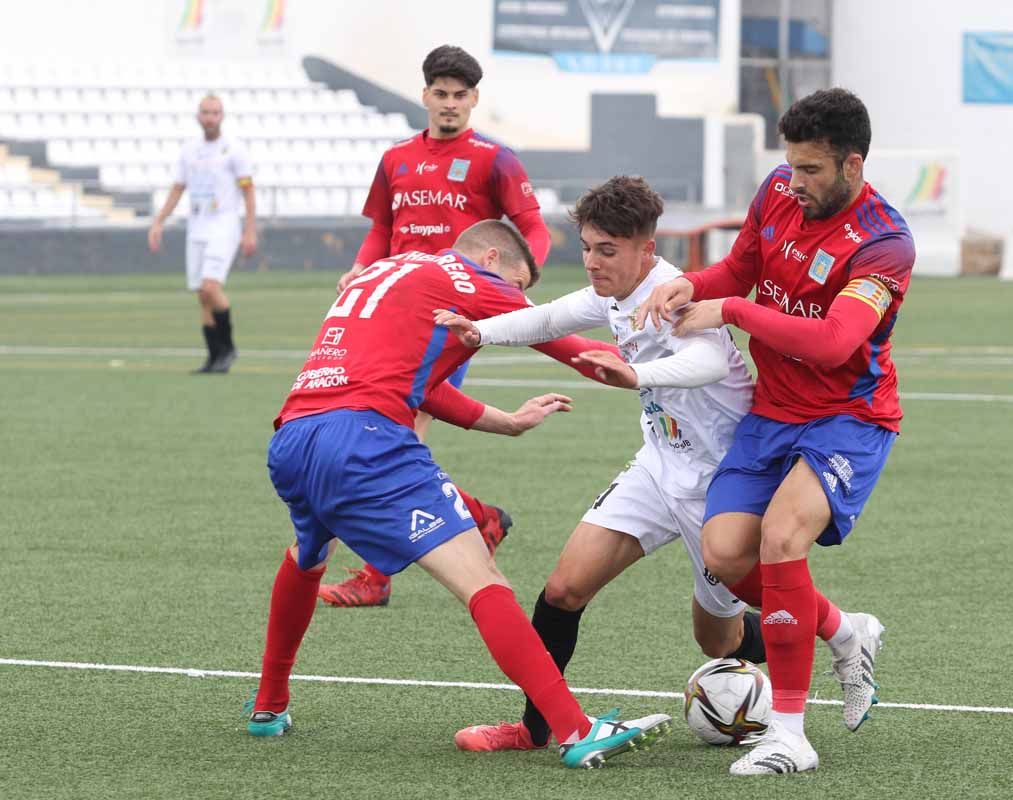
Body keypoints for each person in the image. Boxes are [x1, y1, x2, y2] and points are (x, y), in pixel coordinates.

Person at [435, 176, 879, 754]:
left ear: (647, 249)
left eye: (607, 251)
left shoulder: (676, 292)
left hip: (721, 483)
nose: (593, 262)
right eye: (588, 248)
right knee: (564, 588)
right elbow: (546, 318)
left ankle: (844, 629)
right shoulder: (609, 293)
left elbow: (708, 362)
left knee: (717, 638)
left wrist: (638, 375)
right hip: (658, 466)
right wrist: (480, 331)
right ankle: (534, 729)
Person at [247, 219, 671, 769]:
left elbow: (415, 380)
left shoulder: (390, 270)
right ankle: (576, 729)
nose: (515, 299)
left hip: (295, 437)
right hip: (367, 442)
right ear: (491, 258)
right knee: (484, 583)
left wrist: (506, 422)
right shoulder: (471, 276)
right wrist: (674, 368)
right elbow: (561, 340)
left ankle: (268, 705)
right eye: (517, 285)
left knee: (308, 555)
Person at [637, 88, 914, 776]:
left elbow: (832, 342)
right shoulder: (780, 190)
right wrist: (691, 286)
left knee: (781, 537)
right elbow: (743, 269)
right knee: (726, 554)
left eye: (812, 170)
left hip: (848, 416)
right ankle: (846, 631)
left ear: (853, 165)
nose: (795, 183)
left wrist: (729, 308)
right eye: (790, 166)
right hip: (773, 411)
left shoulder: (884, 242)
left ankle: (789, 733)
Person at [321, 44, 553, 605]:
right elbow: (382, 228)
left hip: (448, 321)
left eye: (461, 95)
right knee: (393, 440)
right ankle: (479, 517)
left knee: (396, 439)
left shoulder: (495, 160)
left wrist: (519, 282)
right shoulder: (396, 158)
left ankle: (375, 579)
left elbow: (531, 229)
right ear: (425, 95)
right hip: (390, 316)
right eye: (441, 93)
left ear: (475, 99)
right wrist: (360, 267)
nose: (450, 104)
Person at [148, 93, 256, 374]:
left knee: (211, 286)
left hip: (224, 225)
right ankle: (214, 357)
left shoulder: (234, 149)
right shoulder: (190, 150)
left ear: (222, 116)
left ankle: (229, 348)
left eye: (215, 112)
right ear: (198, 116)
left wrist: (250, 230)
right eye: (206, 112)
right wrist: (159, 221)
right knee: (202, 294)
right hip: (197, 225)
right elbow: (177, 187)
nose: (210, 117)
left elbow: (248, 190)